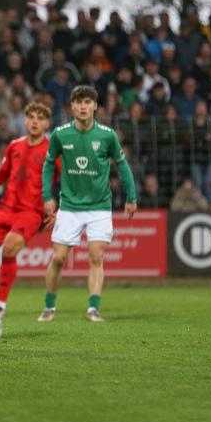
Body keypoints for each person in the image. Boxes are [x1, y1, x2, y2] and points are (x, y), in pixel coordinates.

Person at [39, 85, 138, 323]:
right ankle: (49, 306)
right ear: (72, 106)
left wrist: (131, 196)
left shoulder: (107, 135)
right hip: (70, 206)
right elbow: (49, 164)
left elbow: (122, 165)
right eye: (78, 102)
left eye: (88, 102)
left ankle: (93, 308)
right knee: (59, 258)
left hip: (99, 207)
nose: (83, 107)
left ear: (95, 106)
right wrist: (46, 195)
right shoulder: (61, 134)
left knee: (96, 255)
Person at [0, 101, 56, 319]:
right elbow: (3, 174)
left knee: (9, 247)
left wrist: (56, 207)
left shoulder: (52, 150)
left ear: (47, 124)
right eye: (31, 117)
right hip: (5, 208)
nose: (35, 121)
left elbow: (67, 180)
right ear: (25, 120)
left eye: (40, 118)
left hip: (30, 212)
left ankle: (0, 304)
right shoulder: (14, 146)